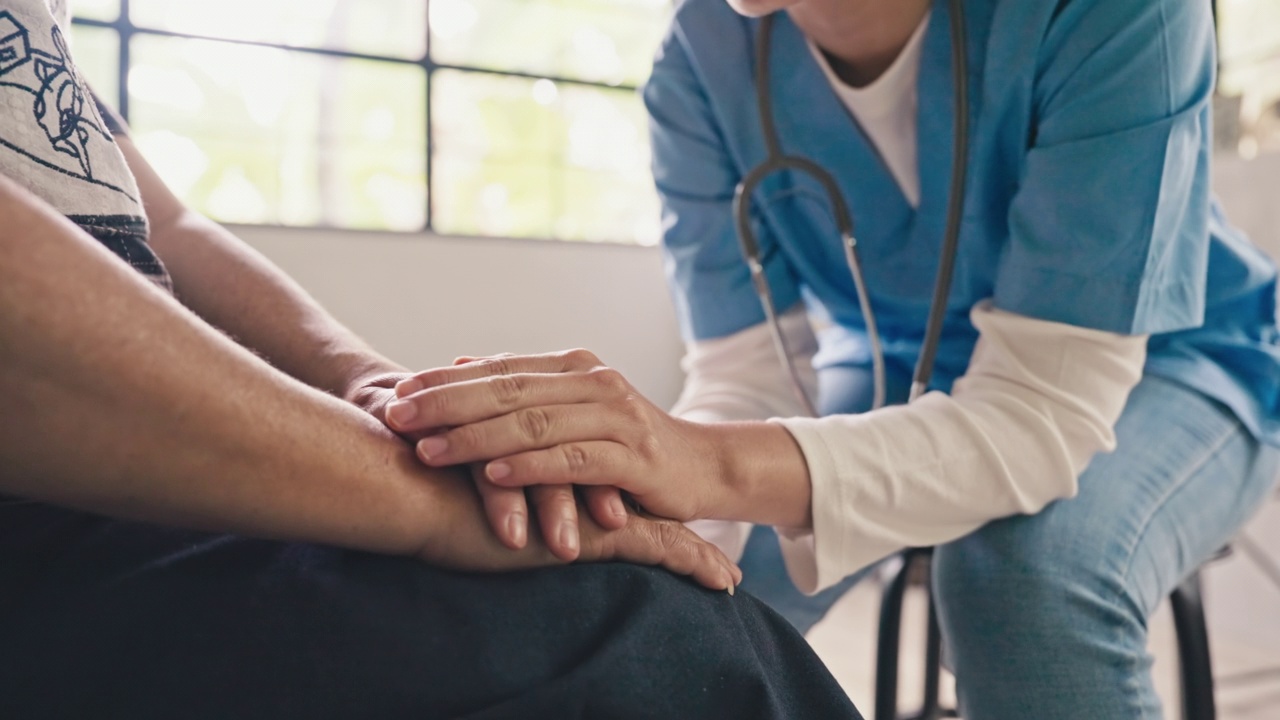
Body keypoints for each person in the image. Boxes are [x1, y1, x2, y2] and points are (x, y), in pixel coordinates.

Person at [381, 0, 1280, 717]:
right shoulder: (701, 59)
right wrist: (664, 495)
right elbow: (750, 371)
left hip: (1176, 359)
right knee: (666, 571)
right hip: (896, 357)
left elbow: (1039, 408)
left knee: (1021, 579)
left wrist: (708, 460)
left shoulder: (1118, 15)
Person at [0, 1, 864, 717]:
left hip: (142, 488)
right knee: (637, 639)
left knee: (680, 615)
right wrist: (408, 494)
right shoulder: (705, 59)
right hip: (51, 515)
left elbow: (172, 229)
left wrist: (375, 385)